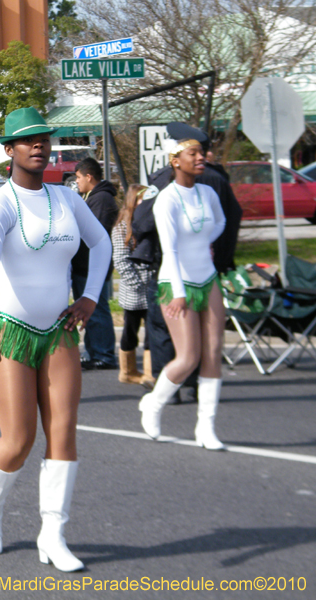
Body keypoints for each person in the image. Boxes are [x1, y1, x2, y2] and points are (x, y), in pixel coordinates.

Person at [0, 107, 111, 571]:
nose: (39, 146)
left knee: (63, 433)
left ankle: (53, 534)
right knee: (18, 439)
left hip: (59, 330)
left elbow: (103, 243)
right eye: (28, 140)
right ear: (8, 150)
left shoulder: (67, 198)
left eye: (44, 139)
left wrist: (90, 297)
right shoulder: (1, 203)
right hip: (9, 330)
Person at [138, 134, 227, 451]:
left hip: (208, 278)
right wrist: (177, 293)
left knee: (214, 352)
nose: (201, 157)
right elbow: (170, 250)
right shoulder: (168, 199)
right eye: (193, 153)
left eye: (202, 153)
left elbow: (220, 221)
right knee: (188, 356)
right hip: (175, 283)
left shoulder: (207, 192)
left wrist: (205, 242)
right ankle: (153, 404)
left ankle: (206, 427)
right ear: (176, 161)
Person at [71, 157, 119, 370]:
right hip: (84, 264)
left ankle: (104, 354)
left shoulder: (101, 199)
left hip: (92, 266)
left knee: (96, 308)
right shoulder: (93, 197)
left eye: (79, 178)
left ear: (89, 176)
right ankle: (93, 351)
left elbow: (95, 235)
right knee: (89, 311)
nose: (77, 182)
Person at [111, 184, 157, 387]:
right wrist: (137, 284)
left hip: (152, 286)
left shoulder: (150, 221)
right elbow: (120, 260)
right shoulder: (122, 226)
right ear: (133, 201)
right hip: (135, 290)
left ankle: (149, 373)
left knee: (152, 330)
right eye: (142, 199)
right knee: (130, 330)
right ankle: (128, 371)